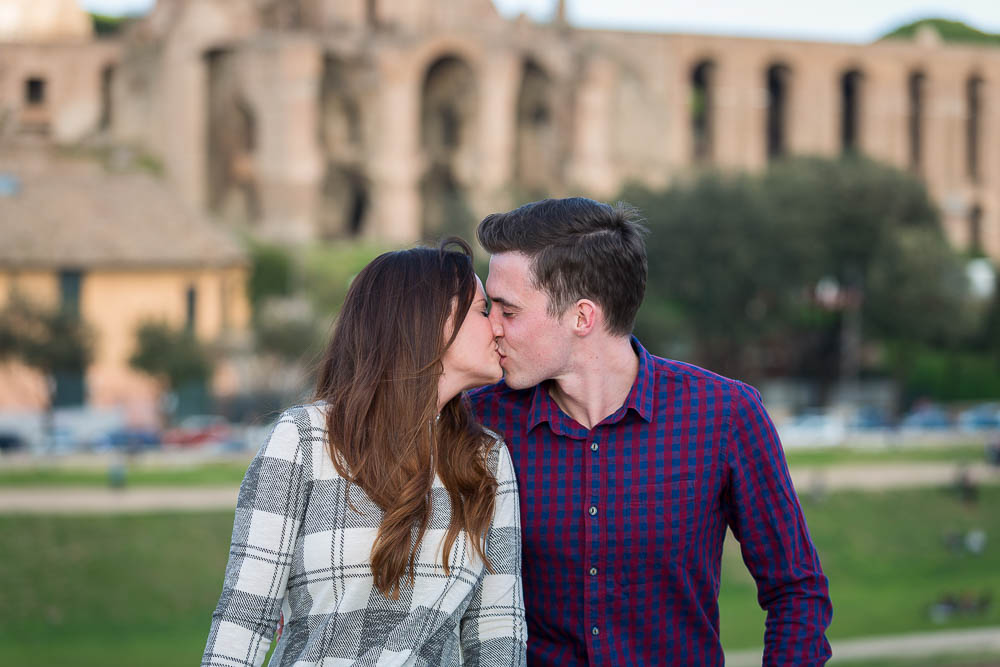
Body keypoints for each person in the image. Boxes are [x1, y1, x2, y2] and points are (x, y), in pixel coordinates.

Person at [467, 198, 832, 666]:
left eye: (508, 311)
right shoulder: (479, 424)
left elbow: (796, 589)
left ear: (582, 317)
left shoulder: (724, 415)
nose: (491, 328)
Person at [202, 239, 527, 667]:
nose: (499, 327)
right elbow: (243, 621)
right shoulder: (303, 440)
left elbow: (498, 635)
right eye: (483, 311)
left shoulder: (486, 459)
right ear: (429, 322)